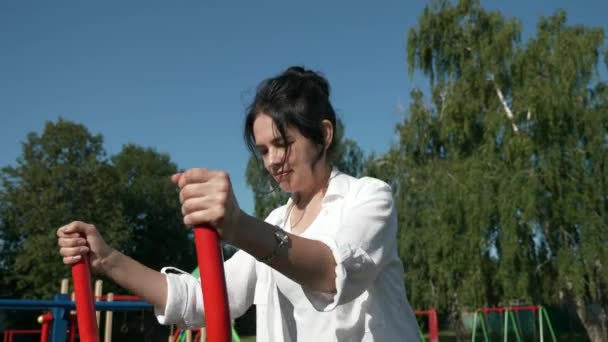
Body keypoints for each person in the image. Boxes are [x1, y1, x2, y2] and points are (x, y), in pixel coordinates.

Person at [57, 66, 420, 341]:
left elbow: (332, 273)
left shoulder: (369, 198)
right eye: (263, 150)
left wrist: (238, 225)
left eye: (283, 143)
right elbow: (201, 299)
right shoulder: (277, 220)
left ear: (324, 135)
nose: (272, 161)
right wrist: (108, 259)